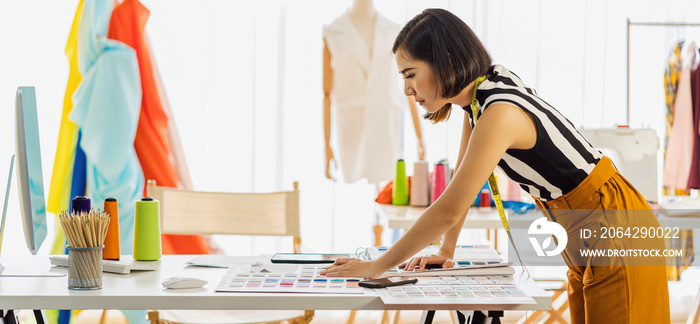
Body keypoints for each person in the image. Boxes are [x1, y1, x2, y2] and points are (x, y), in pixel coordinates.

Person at [321, 8, 670, 323]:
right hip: (582, 226)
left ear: (443, 59)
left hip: (611, 221)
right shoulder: (479, 98)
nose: (407, 90)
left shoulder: (498, 110)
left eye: (410, 74)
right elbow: (461, 179)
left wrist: (378, 266)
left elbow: (449, 209)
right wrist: (446, 249)